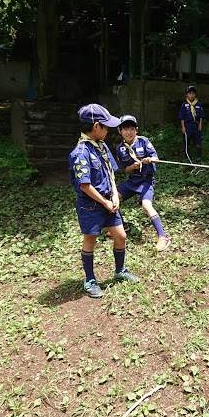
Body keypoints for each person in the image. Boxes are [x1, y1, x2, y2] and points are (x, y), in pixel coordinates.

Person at [68, 104, 139, 298]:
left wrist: (114, 194)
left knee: (121, 236)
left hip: (109, 201)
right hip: (91, 205)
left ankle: (119, 270)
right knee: (90, 239)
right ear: (96, 126)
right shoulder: (81, 153)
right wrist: (104, 202)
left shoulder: (102, 146)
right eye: (106, 126)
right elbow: (84, 185)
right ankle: (90, 280)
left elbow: (110, 172)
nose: (109, 130)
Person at [115, 115, 171, 252]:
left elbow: (156, 159)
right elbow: (125, 169)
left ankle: (163, 237)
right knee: (111, 197)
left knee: (146, 205)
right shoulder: (120, 149)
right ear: (120, 131)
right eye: (125, 129)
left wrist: (149, 159)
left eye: (132, 129)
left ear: (137, 130)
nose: (129, 132)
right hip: (132, 180)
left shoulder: (144, 141)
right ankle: (122, 226)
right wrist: (133, 167)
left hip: (146, 180)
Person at [179, 85, 205, 162]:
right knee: (187, 141)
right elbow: (182, 117)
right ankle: (187, 157)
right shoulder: (184, 105)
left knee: (198, 141)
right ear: (186, 94)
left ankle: (199, 157)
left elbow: (201, 116)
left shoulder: (198, 104)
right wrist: (183, 127)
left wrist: (200, 124)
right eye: (190, 93)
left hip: (195, 125)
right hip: (187, 125)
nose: (192, 95)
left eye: (193, 93)